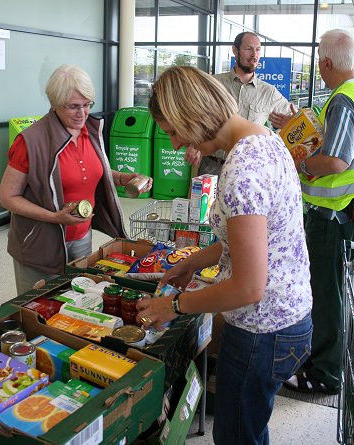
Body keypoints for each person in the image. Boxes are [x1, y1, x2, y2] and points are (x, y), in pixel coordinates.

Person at [136, 65, 313, 444]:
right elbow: (251, 236)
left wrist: (177, 306)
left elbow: (249, 287)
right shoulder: (263, 138)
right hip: (291, 317)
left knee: (237, 436)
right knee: (248, 427)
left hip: (262, 331)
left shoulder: (241, 171)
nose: (173, 145)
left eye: (172, 131)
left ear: (191, 114)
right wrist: (194, 261)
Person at [0, 64, 152, 295]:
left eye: (87, 104)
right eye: (73, 106)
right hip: (39, 242)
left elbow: (87, 172)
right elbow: (8, 197)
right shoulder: (31, 141)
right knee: (39, 302)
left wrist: (121, 178)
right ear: (54, 104)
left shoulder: (88, 132)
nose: (82, 113)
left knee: (75, 300)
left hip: (81, 235)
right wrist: (54, 217)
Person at [284, 29, 354, 395]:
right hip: (340, 215)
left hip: (332, 216)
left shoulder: (343, 100)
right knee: (334, 292)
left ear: (326, 63)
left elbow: (338, 161)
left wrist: (303, 164)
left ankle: (326, 373)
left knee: (328, 295)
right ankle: (330, 358)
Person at [185, 31, 295, 175]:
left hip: (249, 172)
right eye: (248, 49)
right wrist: (193, 143)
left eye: (257, 50)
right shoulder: (213, 83)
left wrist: (290, 123)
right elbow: (193, 115)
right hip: (212, 167)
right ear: (235, 50)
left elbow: (297, 120)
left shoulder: (269, 92)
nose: (254, 55)